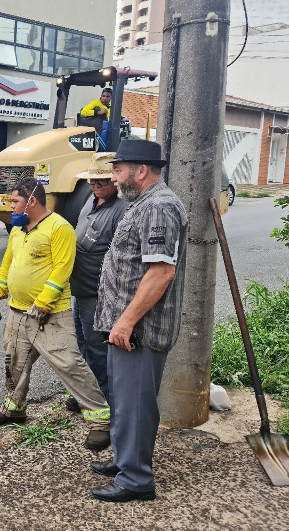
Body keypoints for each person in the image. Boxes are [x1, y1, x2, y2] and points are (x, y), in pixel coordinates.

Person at [90, 139, 188, 503]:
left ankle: (136, 480)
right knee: (124, 400)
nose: (113, 178)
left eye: (117, 170)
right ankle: (124, 459)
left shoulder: (159, 207)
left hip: (139, 330)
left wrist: (126, 322)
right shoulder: (142, 204)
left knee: (135, 404)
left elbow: (161, 272)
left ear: (141, 170)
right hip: (125, 328)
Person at [0, 177, 111, 452]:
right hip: (18, 312)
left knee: (70, 365)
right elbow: (9, 265)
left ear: (32, 201)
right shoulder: (17, 230)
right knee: (14, 364)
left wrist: (42, 304)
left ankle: (102, 422)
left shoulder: (59, 228)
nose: (11, 208)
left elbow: (62, 270)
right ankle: (14, 409)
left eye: (15, 201)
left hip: (50, 315)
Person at [66, 152, 128, 410]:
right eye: (91, 181)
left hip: (98, 295)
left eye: (101, 181)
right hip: (80, 291)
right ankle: (88, 395)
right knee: (82, 346)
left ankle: (106, 402)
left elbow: (121, 259)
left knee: (97, 349)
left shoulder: (121, 210)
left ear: (115, 180)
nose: (94, 185)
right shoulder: (91, 200)